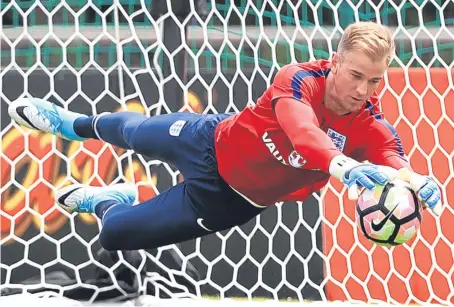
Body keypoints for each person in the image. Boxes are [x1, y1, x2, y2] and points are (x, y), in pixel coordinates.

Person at [8, 21, 442, 251]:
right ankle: (70, 124)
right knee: (132, 130)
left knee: (114, 236)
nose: (363, 91)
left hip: (229, 199)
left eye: (375, 81)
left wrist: (415, 179)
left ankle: (108, 200)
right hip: (209, 138)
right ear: (335, 62)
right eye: (356, 76)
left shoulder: (368, 121)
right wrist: (342, 165)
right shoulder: (298, 79)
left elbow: (391, 153)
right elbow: (303, 131)